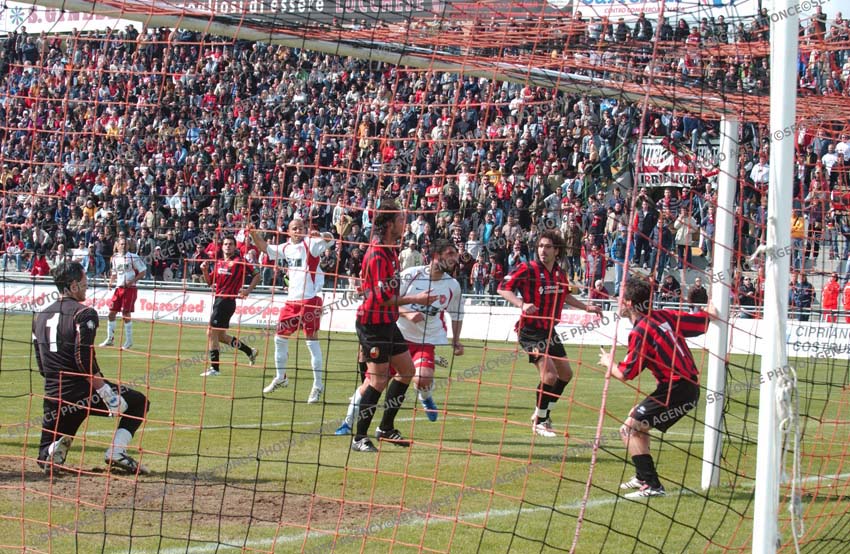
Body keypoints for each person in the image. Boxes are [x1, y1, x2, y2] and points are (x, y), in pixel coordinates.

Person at [598, 277, 718, 498]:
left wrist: (608, 362)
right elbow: (701, 324)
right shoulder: (665, 316)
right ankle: (641, 476)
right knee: (635, 421)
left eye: (620, 297)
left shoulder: (641, 331)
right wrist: (711, 307)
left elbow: (626, 373)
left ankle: (652, 485)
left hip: (677, 389)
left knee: (628, 429)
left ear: (629, 303)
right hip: (685, 387)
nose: (617, 301)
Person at [336, 239, 464, 434]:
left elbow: (457, 315)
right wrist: (407, 313)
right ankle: (347, 423)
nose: (455, 258)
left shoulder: (453, 285)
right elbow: (388, 300)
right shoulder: (411, 275)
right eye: (450, 254)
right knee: (373, 382)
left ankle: (424, 396)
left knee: (423, 378)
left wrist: (456, 340)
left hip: (425, 341)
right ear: (435, 256)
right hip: (397, 337)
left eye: (455, 254)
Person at [33, 261, 150, 474]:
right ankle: (116, 452)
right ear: (73, 285)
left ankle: (51, 451)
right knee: (139, 403)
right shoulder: (84, 313)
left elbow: (41, 366)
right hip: (84, 394)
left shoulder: (39, 316)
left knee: (44, 456)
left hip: (53, 396)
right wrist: (105, 391)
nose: (87, 287)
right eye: (85, 283)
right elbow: (83, 360)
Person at [350, 199, 437, 452]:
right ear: (389, 224)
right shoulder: (377, 253)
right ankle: (359, 438)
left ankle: (385, 428)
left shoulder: (389, 251)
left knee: (407, 371)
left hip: (387, 322)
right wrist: (416, 299)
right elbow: (382, 298)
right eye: (400, 219)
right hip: (372, 324)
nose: (404, 222)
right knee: (378, 380)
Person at [498, 229, 602, 438]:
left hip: (549, 331)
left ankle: (543, 414)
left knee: (566, 374)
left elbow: (565, 296)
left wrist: (586, 307)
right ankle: (539, 421)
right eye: (540, 246)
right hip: (530, 331)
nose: (542, 250)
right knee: (549, 375)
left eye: (547, 247)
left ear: (557, 251)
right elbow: (502, 288)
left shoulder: (559, 273)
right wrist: (521, 304)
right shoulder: (527, 268)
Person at [249, 219, 334, 402]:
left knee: (311, 342)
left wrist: (321, 235)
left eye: (301, 228)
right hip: (291, 302)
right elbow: (265, 248)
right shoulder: (286, 247)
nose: (298, 231)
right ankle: (281, 377)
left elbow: (330, 239)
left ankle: (318, 385)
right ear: (289, 232)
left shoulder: (311, 243)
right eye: (294, 228)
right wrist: (254, 234)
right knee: (279, 339)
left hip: (310, 300)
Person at [200, 234, 261, 376]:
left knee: (211, 332)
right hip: (219, 300)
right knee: (220, 336)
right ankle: (250, 351)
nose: (228, 246)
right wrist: (204, 270)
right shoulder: (219, 262)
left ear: (235, 247)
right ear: (222, 247)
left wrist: (247, 291)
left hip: (227, 301)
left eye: (231, 244)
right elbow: (210, 282)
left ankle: (215, 368)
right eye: (225, 244)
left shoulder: (240, 261)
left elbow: (257, 275)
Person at [99, 237, 147, 349]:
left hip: (130, 289)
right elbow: (114, 273)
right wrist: (111, 282)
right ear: (117, 246)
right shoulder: (115, 258)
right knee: (111, 313)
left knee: (126, 313)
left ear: (128, 246)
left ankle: (129, 341)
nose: (123, 246)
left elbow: (143, 271)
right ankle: (110, 339)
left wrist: (132, 281)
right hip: (118, 288)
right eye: (121, 244)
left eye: (125, 244)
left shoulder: (133, 257)